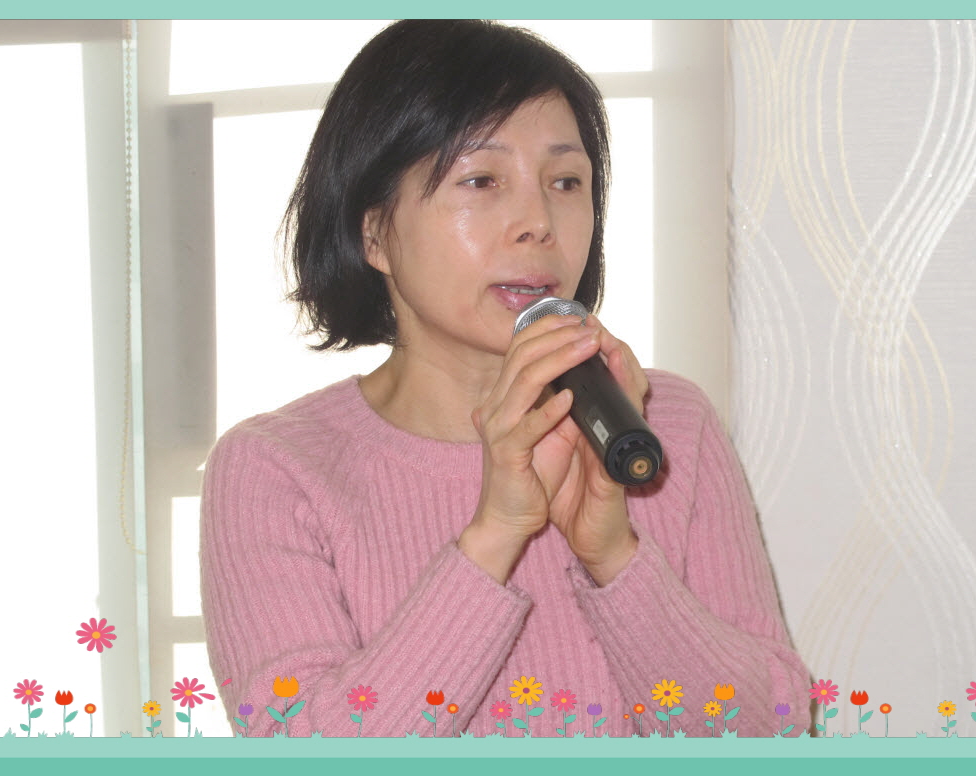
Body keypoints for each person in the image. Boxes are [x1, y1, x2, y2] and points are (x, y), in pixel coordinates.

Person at [200, 19, 809, 738]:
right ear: (374, 234)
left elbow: (772, 731)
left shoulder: (661, 423)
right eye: (482, 180)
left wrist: (615, 557)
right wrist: (495, 534)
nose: (538, 223)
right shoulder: (275, 469)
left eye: (565, 182)